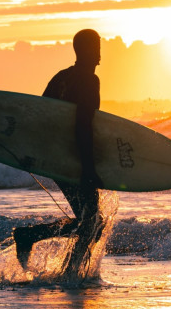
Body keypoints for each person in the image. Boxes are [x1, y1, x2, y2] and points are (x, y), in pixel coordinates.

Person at [13, 29, 104, 269]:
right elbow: (83, 126)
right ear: (84, 50)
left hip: (53, 157)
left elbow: (40, 115)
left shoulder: (61, 77)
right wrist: (88, 168)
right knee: (92, 223)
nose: (99, 53)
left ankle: (33, 239)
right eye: (95, 47)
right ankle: (69, 272)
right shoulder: (88, 80)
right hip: (73, 159)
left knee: (91, 222)